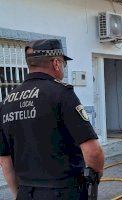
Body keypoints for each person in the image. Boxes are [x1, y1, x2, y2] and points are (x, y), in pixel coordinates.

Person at [0, 39, 104, 199]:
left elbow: (5, 161)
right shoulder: (61, 94)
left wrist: (18, 194)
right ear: (56, 63)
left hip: (26, 192)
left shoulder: (6, 102)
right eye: (63, 63)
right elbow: (93, 152)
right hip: (64, 192)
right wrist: (95, 178)